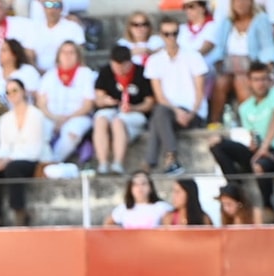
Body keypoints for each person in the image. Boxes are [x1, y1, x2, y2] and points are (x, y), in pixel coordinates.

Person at [209, 61, 274, 212]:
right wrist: (255, 144)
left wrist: (264, 146)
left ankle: (268, 208)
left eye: (264, 79)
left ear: (269, 80)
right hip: (261, 152)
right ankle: (235, 190)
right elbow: (253, 135)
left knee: (260, 164)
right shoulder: (245, 107)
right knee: (217, 144)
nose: (261, 83)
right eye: (256, 79)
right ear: (249, 81)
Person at [144, 16, 207, 175]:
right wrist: (178, 112)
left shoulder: (193, 56)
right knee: (160, 112)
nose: (171, 37)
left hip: (193, 112)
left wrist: (191, 113)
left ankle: (154, 161)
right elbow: (160, 96)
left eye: (174, 33)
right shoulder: (154, 60)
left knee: (157, 118)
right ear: (160, 35)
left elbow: (200, 92)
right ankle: (169, 158)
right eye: (167, 34)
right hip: (170, 112)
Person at [0, 78, 44, 227]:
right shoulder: (5, 119)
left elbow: (34, 148)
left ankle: (19, 212)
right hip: (12, 159)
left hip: (32, 158)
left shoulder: (36, 115)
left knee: (13, 168)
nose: (12, 94)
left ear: (23, 91)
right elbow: (4, 146)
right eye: (8, 92)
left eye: (15, 90)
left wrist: (8, 159)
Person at [207, 0, 274, 125]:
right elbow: (219, 49)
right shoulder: (227, 22)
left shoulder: (261, 20)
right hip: (228, 67)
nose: (240, 4)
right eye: (236, 2)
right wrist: (217, 62)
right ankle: (214, 123)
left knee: (240, 80)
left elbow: (268, 47)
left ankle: (250, 122)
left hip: (252, 66)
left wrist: (269, 67)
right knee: (220, 82)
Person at [92, 43, 154, 176]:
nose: (119, 69)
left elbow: (149, 103)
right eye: (116, 66)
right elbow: (98, 98)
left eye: (123, 66)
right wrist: (105, 101)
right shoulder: (106, 72)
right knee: (100, 119)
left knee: (117, 122)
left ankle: (118, 163)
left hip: (135, 113)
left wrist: (133, 108)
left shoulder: (142, 73)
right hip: (112, 109)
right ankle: (103, 163)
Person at [36, 40, 95, 165]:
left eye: (71, 52)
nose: (67, 55)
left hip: (77, 116)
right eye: (64, 52)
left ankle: (53, 162)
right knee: (39, 130)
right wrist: (54, 118)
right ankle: (42, 162)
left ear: (78, 56)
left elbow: (88, 104)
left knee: (72, 134)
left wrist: (66, 118)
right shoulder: (49, 75)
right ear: (58, 56)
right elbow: (41, 102)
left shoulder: (86, 74)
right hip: (51, 116)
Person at [103, 169, 171, 228]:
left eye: (143, 183)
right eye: (135, 184)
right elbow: (107, 225)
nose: (140, 187)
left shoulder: (162, 207)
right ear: (130, 188)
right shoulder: (123, 208)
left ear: (151, 187)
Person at [32, 0, 84, 73]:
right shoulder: (34, 29)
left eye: (56, 5)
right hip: (39, 73)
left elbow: (80, 55)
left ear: (62, 8)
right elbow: (29, 54)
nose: (52, 9)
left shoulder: (73, 27)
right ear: (43, 7)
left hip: (67, 72)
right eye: (48, 4)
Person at [0, 38, 41, 104]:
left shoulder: (29, 71)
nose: (0, 54)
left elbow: (35, 95)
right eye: (0, 51)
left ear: (14, 54)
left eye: (4, 50)